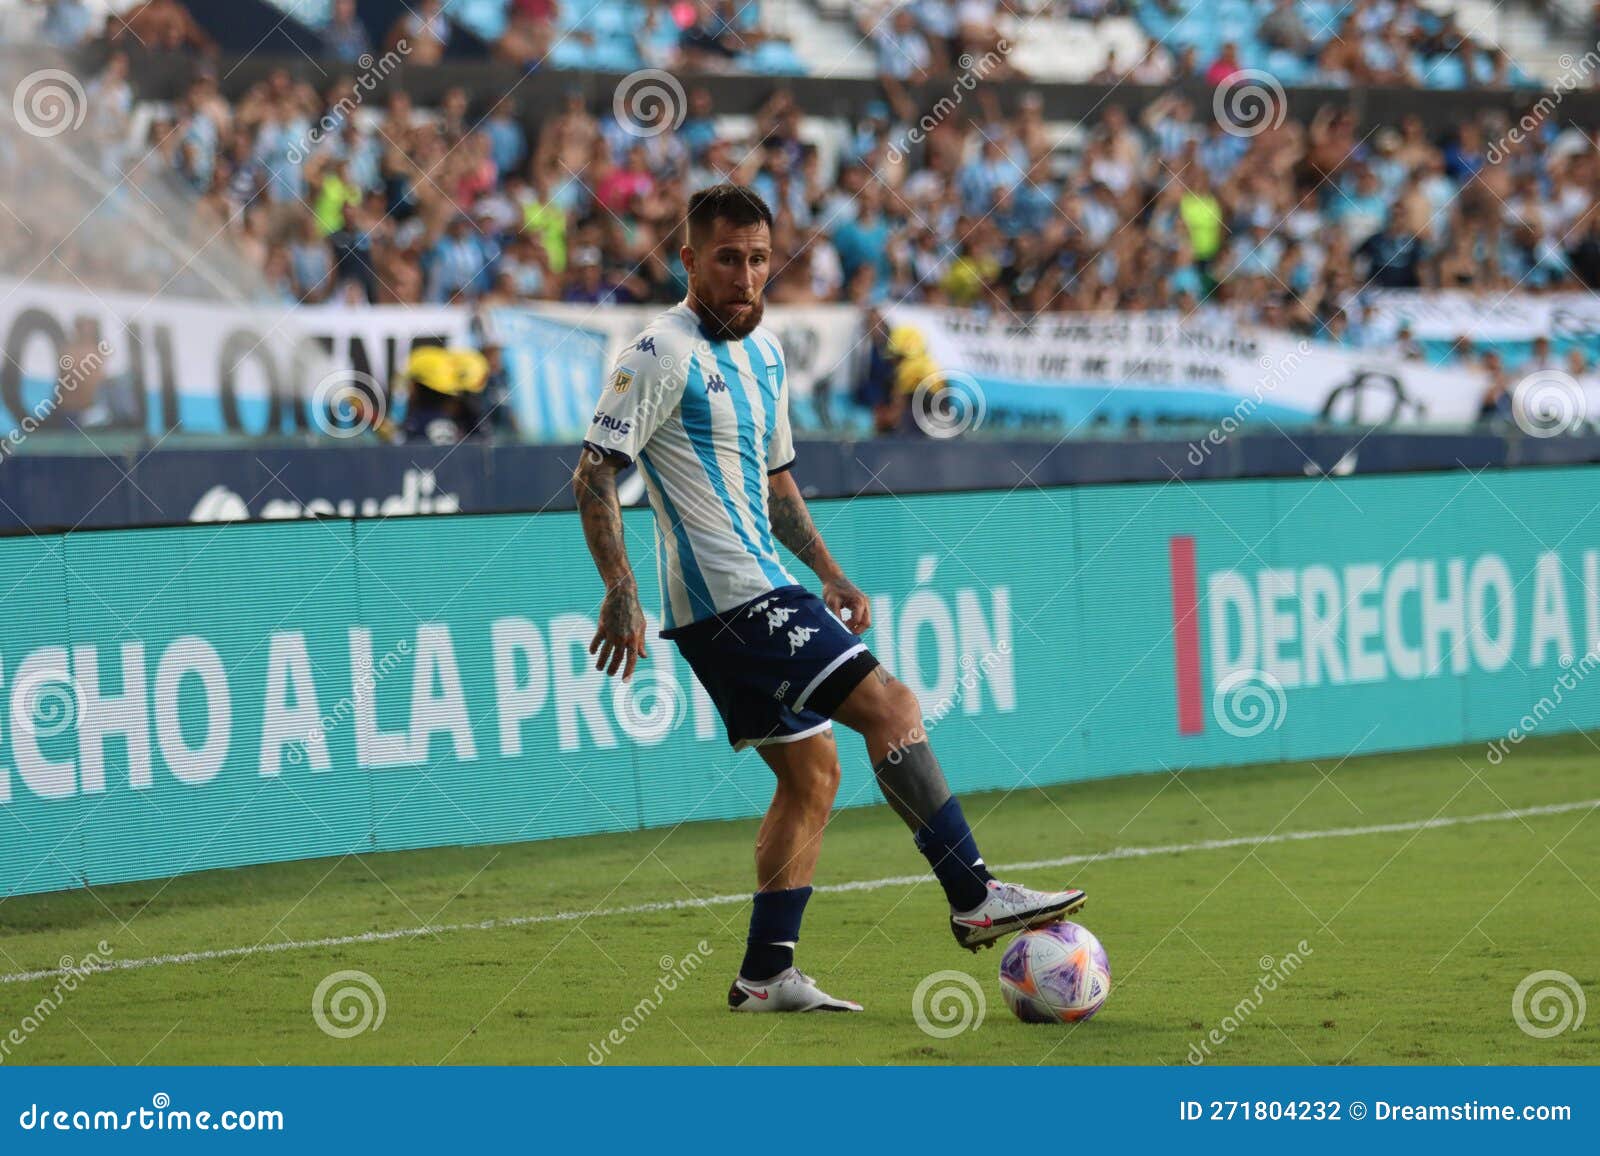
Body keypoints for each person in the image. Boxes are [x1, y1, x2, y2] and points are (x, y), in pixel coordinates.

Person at [572, 185, 1086, 1014]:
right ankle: (973, 895)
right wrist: (620, 590)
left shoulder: (766, 352)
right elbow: (595, 470)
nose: (745, 275)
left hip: (760, 588)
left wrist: (830, 569)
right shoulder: (659, 353)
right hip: (727, 598)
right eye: (728, 258)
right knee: (890, 705)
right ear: (690, 260)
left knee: (813, 775)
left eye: (759, 258)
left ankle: (765, 974)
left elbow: (775, 482)